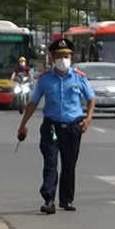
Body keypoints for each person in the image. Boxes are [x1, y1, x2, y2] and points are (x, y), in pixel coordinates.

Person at [16, 38, 94, 214]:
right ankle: (48, 199)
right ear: (52, 58)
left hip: (73, 128)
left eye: (66, 56)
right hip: (51, 127)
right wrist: (23, 125)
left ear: (71, 57)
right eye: (59, 56)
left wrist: (88, 118)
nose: (63, 59)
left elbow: (91, 98)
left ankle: (66, 200)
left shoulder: (79, 77)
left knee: (69, 165)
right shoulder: (44, 80)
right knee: (50, 163)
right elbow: (33, 103)